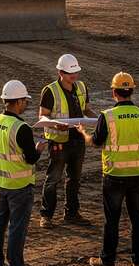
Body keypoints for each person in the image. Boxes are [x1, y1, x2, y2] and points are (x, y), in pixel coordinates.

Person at [80, 72, 139, 266]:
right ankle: (138, 261)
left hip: (114, 175)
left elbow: (95, 142)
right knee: (137, 217)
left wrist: (82, 133)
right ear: (131, 91)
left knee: (111, 219)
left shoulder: (107, 116)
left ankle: (108, 260)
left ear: (114, 92)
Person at [0, 80, 47, 266]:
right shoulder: (21, 128)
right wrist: (39, 148)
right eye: (25, 101)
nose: (26, 105)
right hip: (19, 186)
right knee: (17, 228)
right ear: (19, 101)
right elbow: (31, 158)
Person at [37, 53, 98, 228]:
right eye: (70, 73)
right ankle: (46, 215)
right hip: (58, 141)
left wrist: (99, 119)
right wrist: (57, 126)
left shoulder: (81, 87)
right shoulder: (50, 91)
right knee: (53, 178)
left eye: (76, 72)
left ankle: (71, 213)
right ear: (60, 72)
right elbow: (42, 117)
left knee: (74, 179)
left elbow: (86, 110)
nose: (74, 76)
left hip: (77, 139)